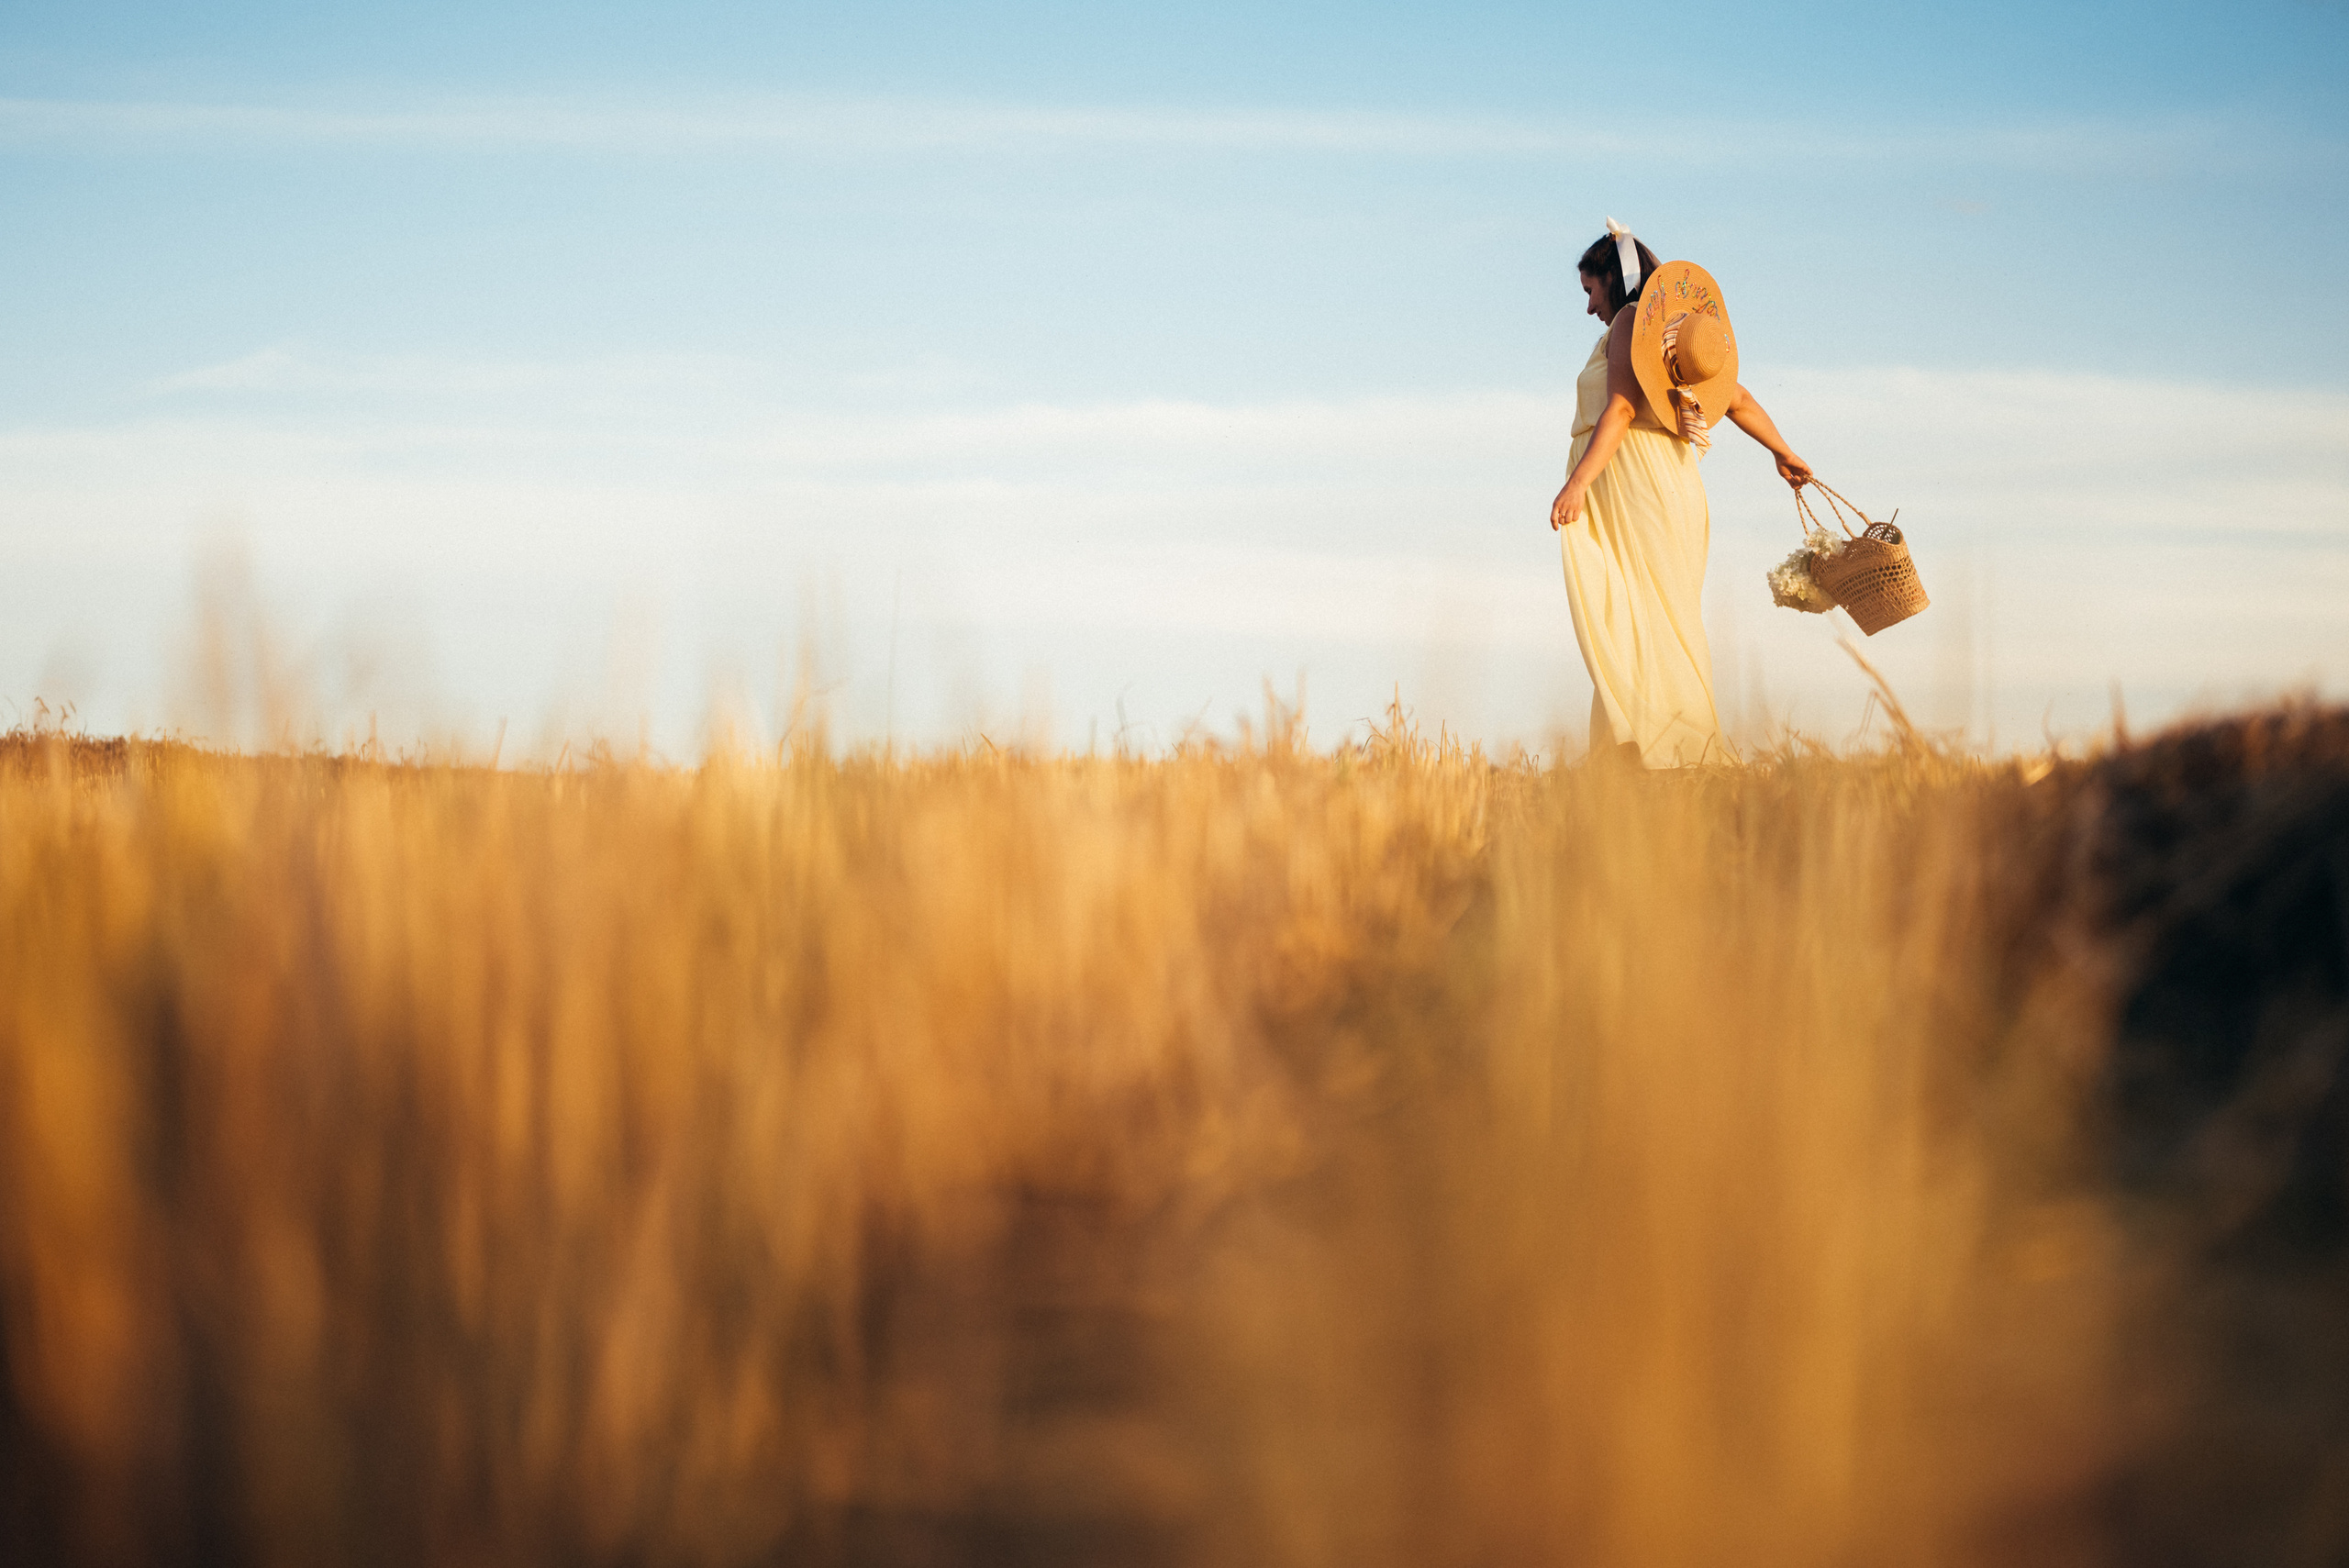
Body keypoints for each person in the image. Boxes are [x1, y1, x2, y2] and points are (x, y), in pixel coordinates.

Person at [1548, 221, 1812, 767]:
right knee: (1652, 614)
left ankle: (1671, 749)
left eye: (1590, 291)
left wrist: (1577, 485)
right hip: (1665, 483)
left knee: (1636, 612)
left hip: (1634, 483)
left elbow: (1621, 409)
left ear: (1612, 284)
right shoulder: (1662, 333)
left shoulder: (1628, 323)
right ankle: (1636, 751)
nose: (1589, 307)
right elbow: (1735, 398)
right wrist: (1781, 450)